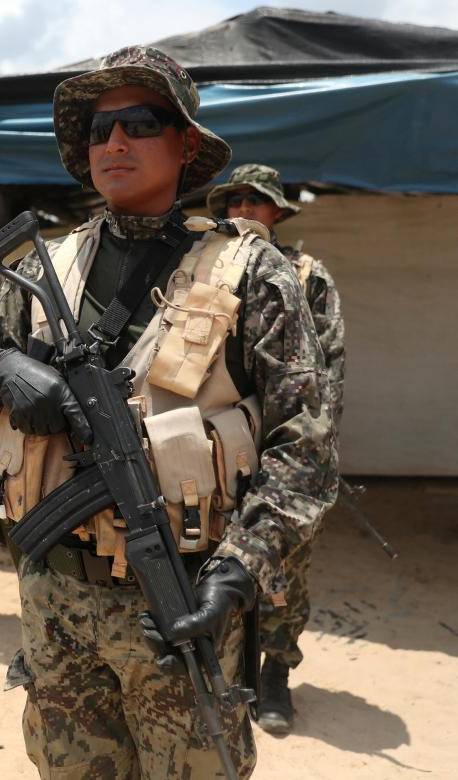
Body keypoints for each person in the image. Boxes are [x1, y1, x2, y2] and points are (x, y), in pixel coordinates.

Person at [0, 46, 337, 777]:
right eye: (99, 130)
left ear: (186, 143)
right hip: (55, 603)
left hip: (184, 602)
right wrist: (1, 371)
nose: (115, 142)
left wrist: (237, 575)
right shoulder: (39, 269)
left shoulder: (253, 274)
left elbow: (305, 447)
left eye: (140, 122)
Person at [208, 164, 346, 734]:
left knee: (284, 572)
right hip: (219, 452)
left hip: (284, 453)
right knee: (220, 563)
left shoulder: (308, 278)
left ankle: (275, 675)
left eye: (254, 199)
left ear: (277, 211)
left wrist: (304, 455)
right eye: (232, 198)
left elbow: (329, 375)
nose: (241, 208)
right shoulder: (205, 270)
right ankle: (230, 673)